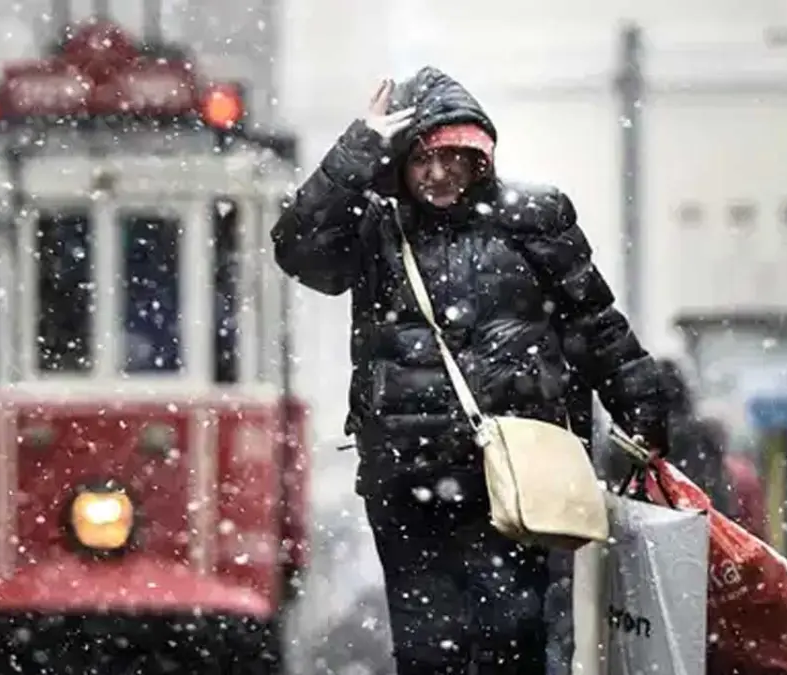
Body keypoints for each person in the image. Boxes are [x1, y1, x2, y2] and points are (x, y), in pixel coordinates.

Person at [272, 68, 671, 675]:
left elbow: (594, 323)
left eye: (453, 157)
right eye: (422, 159)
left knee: (516, 641)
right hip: (410, 481)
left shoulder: (534, 217)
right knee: (430, 651)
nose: (437, 174)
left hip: (519, 477)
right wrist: (360, 144)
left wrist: (643, 409)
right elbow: (298, 248)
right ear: (400, 161)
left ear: (479, 158)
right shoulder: (380, 228)